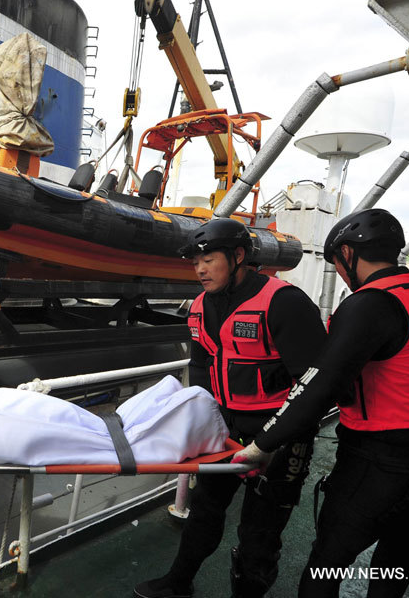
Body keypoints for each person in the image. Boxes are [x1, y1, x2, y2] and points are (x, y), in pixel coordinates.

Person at [233, 208, 409, 598]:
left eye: (338, 264)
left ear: (347, 253)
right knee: (400, 545)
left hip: (385, 463)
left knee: (329, 559)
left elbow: (322, 384)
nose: (341, 273)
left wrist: (262, 444)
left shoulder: (371, 303)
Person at [134, 218, 327, 598]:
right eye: (195, 262)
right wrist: (205, 420)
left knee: (260, 532)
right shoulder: (200, 308)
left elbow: (315, 385)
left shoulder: (283, 303)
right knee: (204, 508)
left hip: (280, 434)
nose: (201, 269)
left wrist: (270, 443)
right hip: (225, 429)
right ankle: (178, 582)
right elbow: (201, 365)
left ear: (238, 256)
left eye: (209, 259)